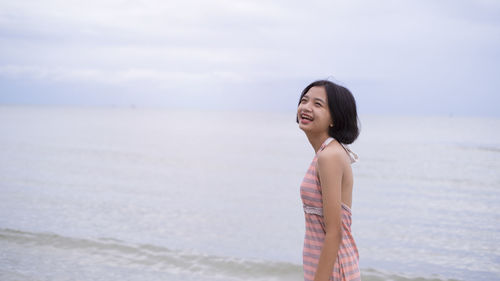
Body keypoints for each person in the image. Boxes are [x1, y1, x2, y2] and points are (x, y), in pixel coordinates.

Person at [297, 80, 361, 281]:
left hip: (334, 270)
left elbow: (335, 231)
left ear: (335, 118)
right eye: (304, 100)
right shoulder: (327, 152)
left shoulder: (329, 156)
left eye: (318, 104)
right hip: (326, 265)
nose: (306, 107)